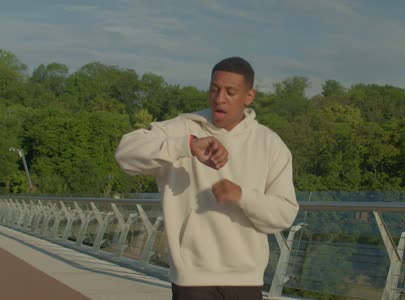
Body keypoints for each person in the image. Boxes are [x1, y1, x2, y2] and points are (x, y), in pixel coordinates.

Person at [115, 57, 299, 300]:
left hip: (246, 280)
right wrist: (187, 145)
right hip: (192, 279)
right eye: (214, 89)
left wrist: (242, 196)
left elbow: (284, 213)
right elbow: (125, 154)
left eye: (230, 92)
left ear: (249, 96)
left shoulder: (270, 144)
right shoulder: (183, 128)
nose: (219, 98)